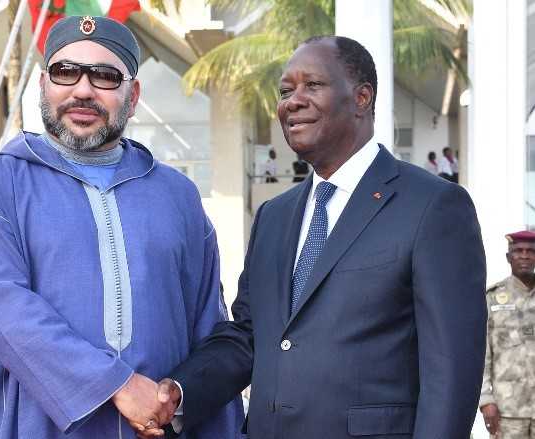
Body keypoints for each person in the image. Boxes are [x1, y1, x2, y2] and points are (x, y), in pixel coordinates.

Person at [148, 35, 487, 438]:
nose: (292, 101)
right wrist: (179, 391)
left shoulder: (433, 207)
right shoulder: (273, 216)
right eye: (286, 91)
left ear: (362, 97)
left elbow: (451, 372)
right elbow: (250, 336)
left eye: (313, 85)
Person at [0, 15, 242, 439]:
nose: (83, 90)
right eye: (65, 72)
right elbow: (7, 312)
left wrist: (178, 396)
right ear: (42, 84)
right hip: (39, 427)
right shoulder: (0, 186)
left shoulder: (177, 195)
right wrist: (117, 384)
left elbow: (207, 325)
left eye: (105, 77)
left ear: (134, 93)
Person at [480, 230, 535, 438]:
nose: (524, 256)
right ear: (508, 258)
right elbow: (482, 353)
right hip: (507, 411)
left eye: (530, 251)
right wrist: (486, 400)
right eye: (518, 251)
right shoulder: (492, 298)